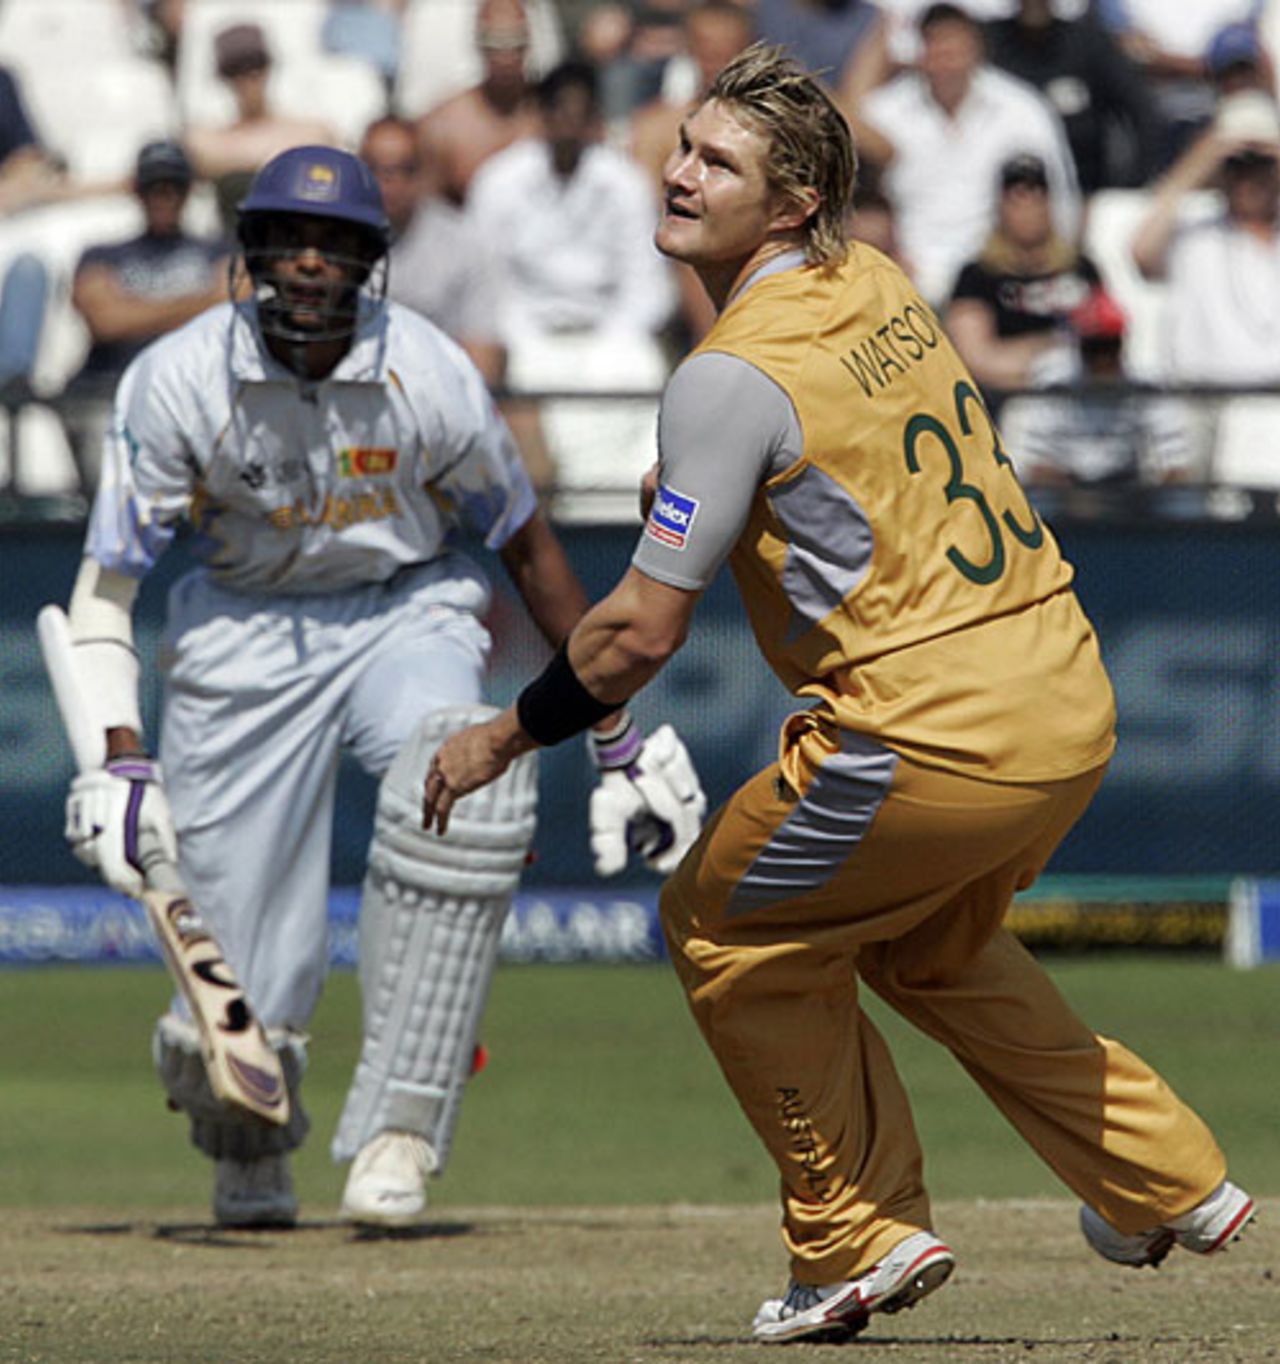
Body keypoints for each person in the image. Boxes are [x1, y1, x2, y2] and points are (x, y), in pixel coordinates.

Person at [422, 43, 1255, 1345]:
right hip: (1064, 690)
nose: (683, 172)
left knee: (722, 923)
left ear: (795, 199)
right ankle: (1167, 1183)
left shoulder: (726, 375)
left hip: (928, 735)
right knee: (928, 946)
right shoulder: (877, 281)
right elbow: (854, 480)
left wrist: (500, 735)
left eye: (720, 162)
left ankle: (854, 1237)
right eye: (686, 145)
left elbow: (638, 633)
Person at [55, 144, 704, 1230]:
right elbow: (104, 586)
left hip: (402, 608)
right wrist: (122, 755)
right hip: (240, 633)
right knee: (234, 973)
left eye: (337, 246)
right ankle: (251, 1143)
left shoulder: (429, 369)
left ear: (371, 262)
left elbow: (530, 551)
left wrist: (616, 732)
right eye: (290, 243)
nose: (311, 265)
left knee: (474, 774)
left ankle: (402, 1123)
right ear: (251, 253)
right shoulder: (174, 380)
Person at [465, 58, 676, 516]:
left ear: (595, 120)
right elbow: (488, 285)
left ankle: (624, 518)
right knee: (531, 385)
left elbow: (647, 285)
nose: (568, 125)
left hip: (610, 334)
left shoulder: (624, 182)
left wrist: (609, 342)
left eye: (580, 114)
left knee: (639, 374)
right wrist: (525, 341)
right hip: (527, 335)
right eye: (558, 111)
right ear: (540, 114)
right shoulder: (498, 181)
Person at [856, 2, 1080, 306]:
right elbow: (858, 205)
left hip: (995, 278)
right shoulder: (883, 116)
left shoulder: (1022, 111)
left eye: (955, 48)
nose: (945, 61)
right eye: (936, 47)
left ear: (976, 49)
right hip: (904, 279)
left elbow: (1059, 201)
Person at [64, 139, 229, 488]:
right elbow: (106, 321)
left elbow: (234, 305)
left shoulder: (221, 247)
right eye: (153, 188)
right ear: (137, 192)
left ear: (188, 192)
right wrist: (199, 303)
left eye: (173, 187)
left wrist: (135, 309)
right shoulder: (101, 254)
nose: (163, 197)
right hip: (112, 392)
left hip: (195, 394)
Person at [1000, 285, 1202, 514]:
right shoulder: (1054, 380)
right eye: (1094, 348)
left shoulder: (1146, 381)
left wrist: (1161, 483)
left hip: (1129, 487)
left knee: (1183, 503)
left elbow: (1176, 462)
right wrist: (1078, 498)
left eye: (1109, 347)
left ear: (1122, 344)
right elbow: (1036, 465)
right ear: (1080, 347)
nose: (1103, 359)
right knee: (1034, 504)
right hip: (1065, 485)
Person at [1131, 84, 1280, 383]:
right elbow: (1142, 253)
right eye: (1237, 167)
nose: (1248, 179)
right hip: (1211, 404)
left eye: (1260, 166)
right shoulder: (1194, 231)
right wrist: (1211, 150)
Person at [945, 151, 1101, 405]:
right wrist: (1049, 354)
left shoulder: (1082, 268)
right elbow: (975, 358)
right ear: (1000, 206)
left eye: (1037, 196)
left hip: (1083, 403)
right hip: (1011, 403)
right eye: (1017, 197)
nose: (1027, 207)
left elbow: (1108, 342)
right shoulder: (978, 276)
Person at [983, 0, 1166, 193]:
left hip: (1086, 191)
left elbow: (1144, 114)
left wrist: (1127, 186)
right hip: (1002, 195)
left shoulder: (1089, 43)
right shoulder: (989, 44)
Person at [185, 21, 341, 235]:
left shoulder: (309, 128)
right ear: (224, 78)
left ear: (268, 68)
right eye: (236, 70)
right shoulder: (207, 138)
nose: (248, 79)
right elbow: (202, 154)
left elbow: (324, 142)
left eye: (255, 66)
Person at [414, 0, 540, 208]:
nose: (505, 56)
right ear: (478, 45)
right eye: (494, 44)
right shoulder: (444, 126)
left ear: (528, 45)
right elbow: (423, 216)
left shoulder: (552, 117)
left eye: (515, 43)